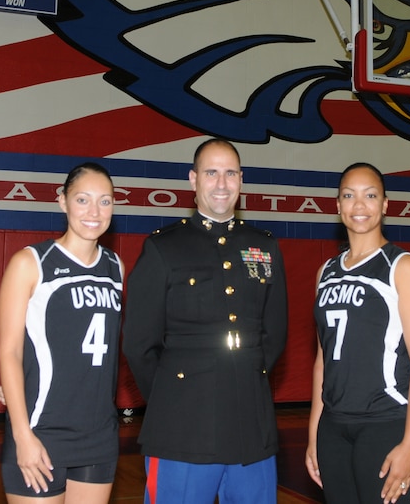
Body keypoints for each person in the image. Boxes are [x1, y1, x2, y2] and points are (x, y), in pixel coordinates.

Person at [121, 138, 288, 504]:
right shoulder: (164, 247)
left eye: (230, 173)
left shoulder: (263, 246)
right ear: (193, 180)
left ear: (241, 180)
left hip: (250, 425)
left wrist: (244, 376)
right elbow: (138, 344)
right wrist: (171, 395)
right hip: (182, 426)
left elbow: (273, 335)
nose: (222, 183)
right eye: (211, 173)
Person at [305, 162, 410, 504]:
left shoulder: (403, 267)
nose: (359, 205)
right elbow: (323, 359)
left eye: (370, 195)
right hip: (334, 428)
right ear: (337, 205)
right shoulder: (326, 271)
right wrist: (313, 434)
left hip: (389, 423)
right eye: (349, 196)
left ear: (385, 205)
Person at [0, 162, 124, 503]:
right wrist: (22, 436)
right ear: (62, 201)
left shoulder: (116, 267)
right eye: (82, 200)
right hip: (41, 431)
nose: (94, 212)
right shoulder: (31, 262)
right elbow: (9, 352)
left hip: (99, 433)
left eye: (105, 201)